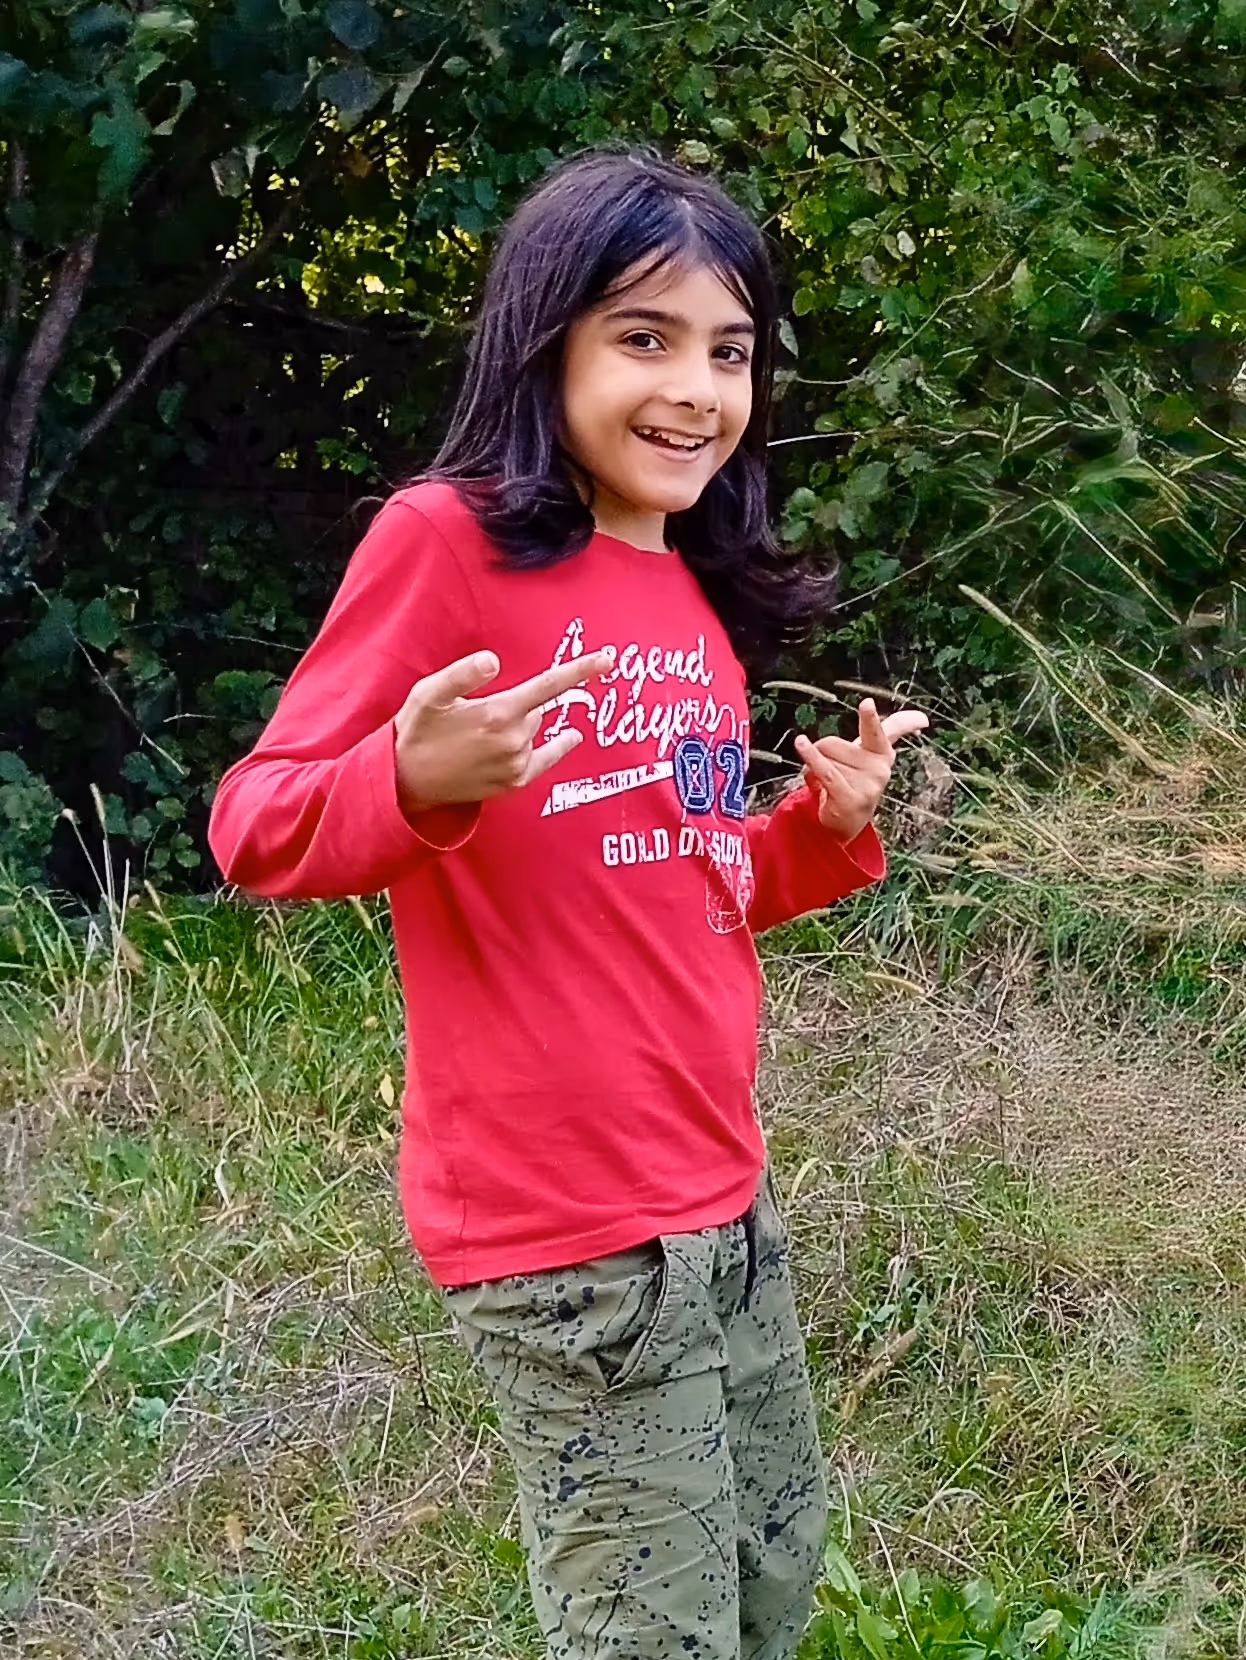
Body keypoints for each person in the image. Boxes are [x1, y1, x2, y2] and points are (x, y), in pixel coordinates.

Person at [209, 145, 929, 1660]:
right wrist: (411, 776)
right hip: (569, 1233)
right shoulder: (448, 541)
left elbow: (684, 878)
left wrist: (820, 826)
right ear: (547, 345)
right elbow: (256, 827)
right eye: (644, 338)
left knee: (762, 1593)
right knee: (646, 1639)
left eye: (726, 351)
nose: (694, 390)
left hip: (721, 1198)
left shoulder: (683, 590)